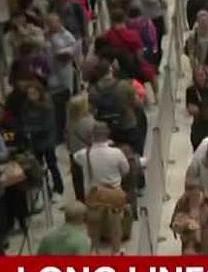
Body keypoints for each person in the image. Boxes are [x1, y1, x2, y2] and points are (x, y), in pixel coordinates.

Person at [73, 123, 131, 255]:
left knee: (94, 226)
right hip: (114, 194)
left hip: (94, 195)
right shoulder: (116, 153)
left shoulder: (84, 154)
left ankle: (95, 251)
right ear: (108, 135)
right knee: (116, 226)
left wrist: (90, 146)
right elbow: (126, 170)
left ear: (92, 136)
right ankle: (116, 250)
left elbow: (75, 157)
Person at [19, 83, 64, 196]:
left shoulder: (47, 107)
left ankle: (59, 187)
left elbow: (47, 126)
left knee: (52, 165)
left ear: (40, 93)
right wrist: (28, 130)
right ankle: (46, 189)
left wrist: (31, 130)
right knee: (38, 168)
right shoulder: (26, 106)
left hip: (47, 142)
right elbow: (25, 123)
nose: (32, 96)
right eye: (29, 94)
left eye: (34, 93)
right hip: (35, 142)